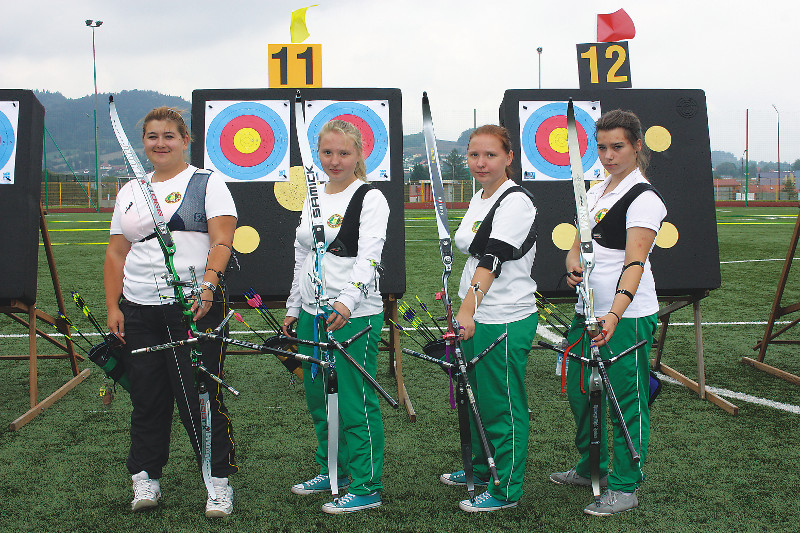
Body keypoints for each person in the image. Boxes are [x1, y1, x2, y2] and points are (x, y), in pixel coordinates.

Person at [104, 107, 238, 517]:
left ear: (185, 140)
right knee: (146, 398)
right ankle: (145, 479)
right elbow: (116, 252)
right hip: (138, 308)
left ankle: (217, 484)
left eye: (169, 136)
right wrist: (113, 305)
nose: (160, 143)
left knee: (199, 396)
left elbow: (222, 240)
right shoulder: (130, 190)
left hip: (193, 308)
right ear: (143, 142)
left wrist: (209, 288)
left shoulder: (207, 183)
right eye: (152, 137)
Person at [550, 109, 666, 516]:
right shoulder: (598, 190)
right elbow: (579, 241)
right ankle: (590, 467)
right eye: (601, 147)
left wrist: (614, 315)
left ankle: (624, 484)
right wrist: (571, 266)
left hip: (625, 316)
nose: (608, 155)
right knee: (583, 393)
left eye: (617, 147)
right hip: (588, 310)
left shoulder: (644, 198)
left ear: (637, 145)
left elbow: (635, 262)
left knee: (625, 399)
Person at [282, 119, 389, 514]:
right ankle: (335, 470)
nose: (335, 160)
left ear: (359, 155)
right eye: (327, 152)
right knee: (319, 398)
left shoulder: (370, 198)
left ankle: (366, 485)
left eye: (344, 153)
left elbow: (370, 256)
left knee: (355, 400)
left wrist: (346, 302)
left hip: (354, 315)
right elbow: (302, 256)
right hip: (313, 313)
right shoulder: (315, 195)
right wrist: (295, 306)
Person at [438, 124, 539, 512]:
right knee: (478, 398)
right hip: (480, 314)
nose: (480, 163)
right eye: (474, 155)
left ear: (509, 158)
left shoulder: (516, 201)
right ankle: (482, 469)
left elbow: (492, 259)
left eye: (490, 155)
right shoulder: (482, 196)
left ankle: (506, 488)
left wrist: (466, 309)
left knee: (503, 405)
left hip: (504, 317)